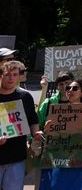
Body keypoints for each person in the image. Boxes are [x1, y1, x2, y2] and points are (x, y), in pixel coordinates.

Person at [0, 61, 41, 189]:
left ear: (19, 77)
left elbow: (33, 120)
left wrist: (36, 134)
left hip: (17, 158)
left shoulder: (25, 97)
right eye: (7, 74)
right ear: (1, 75)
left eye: (15, 75)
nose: (11, 78)